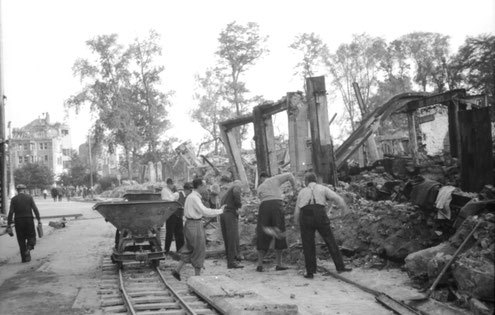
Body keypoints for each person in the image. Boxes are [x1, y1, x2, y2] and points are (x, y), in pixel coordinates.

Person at [294, 172, 353, 278]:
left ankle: (310, 272)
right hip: (320, 214)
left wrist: (296, 222)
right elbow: (337, 198)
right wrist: (344, 208)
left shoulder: (302, 192)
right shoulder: (322, 188)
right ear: (315, 180)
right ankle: (340, 267)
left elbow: (297, 211)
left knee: (308, 244)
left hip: (305, 215)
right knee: (330, 240)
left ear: (306, 182)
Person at [171, 178, 224, 281]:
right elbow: (204, 211)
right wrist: (220, 211)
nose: (205, 188)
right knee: (199, 249)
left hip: (190, 224)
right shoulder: (194, 198)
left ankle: (176, 270)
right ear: (199, 186)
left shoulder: (191, 197)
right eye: (204, 186)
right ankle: (197, 278)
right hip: (195, 224)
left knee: (189, 248)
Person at [256, 172, 296, 272]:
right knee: (280, 232)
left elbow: (261, 200)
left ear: (261, 179)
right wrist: (294, 187)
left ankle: (260, 265)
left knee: (262, 234)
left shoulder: (260, 187)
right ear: (268, 177)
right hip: (276, 204)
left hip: (264, 206)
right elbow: (290, 175)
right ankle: (279, 264)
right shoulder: (275, 179)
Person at [7, 184, 41, 263]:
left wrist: (9, 224)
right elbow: (35, 209)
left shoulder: (14, 199)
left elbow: (11, 212)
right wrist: (39, 219)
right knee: (31, 236)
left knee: (21, 240)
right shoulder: (29, 198)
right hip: (29, 220)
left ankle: (24, 259)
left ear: (17, 190)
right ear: (24, 190)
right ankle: (29, 247)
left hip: (18, 221)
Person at [220, 180, 244, 269]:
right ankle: (232, 262)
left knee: (228, 238)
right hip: (229, 214)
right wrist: (239, 206)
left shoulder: (226, 194)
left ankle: (232, 259)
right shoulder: (236, 187)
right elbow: (236, 192)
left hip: (223, 214)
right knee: (232, 238)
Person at [164, 182, 192, 254]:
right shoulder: (177, 194)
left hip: (179, 216)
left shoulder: (187, 197)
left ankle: (180, 250)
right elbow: (168, 201)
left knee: (179, 233)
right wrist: (175, 205)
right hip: (172, 216)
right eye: (190, 191)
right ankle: (166, 251)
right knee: (169, 234)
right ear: (187, 190)